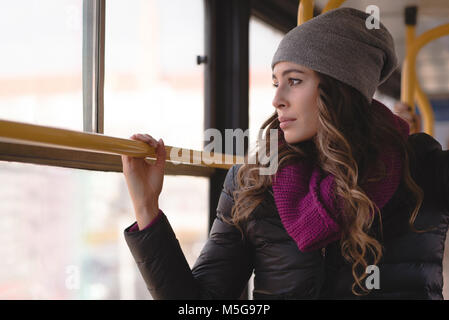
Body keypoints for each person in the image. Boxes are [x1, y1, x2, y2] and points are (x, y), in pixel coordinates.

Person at [121, 8, 449, 299]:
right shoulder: (253, 180)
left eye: (294, 81)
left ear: (340, 89)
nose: (277, 98)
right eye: (276, 81)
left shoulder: (420, 164)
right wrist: (146, 208)